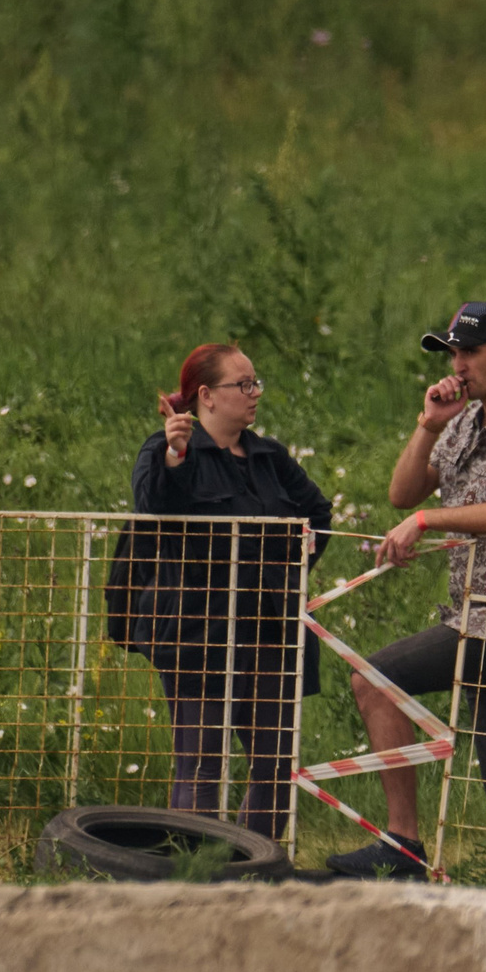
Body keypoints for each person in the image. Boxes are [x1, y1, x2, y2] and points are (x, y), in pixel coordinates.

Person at [325, 303, 486, 882]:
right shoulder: (462, 420)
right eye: (451, 352)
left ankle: (405, 844)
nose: (457, 365)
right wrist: (430, 423)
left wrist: (434, 522)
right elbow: (402, 492)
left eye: (469, 352)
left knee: (374, 679)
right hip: (474, 617)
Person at [130, 344, 331, 842]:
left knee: (275, 762)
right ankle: (196, 875)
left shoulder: (269, 457)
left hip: (270, 630)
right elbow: (152, 504)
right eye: (242, 385)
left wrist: (291, 568)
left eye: (254, 382)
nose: (254, 393)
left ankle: (255, 869)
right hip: (199, 635)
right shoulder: (167, 450)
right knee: (201, 762)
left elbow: (318, 515)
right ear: (207, 397)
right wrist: (174, 456)